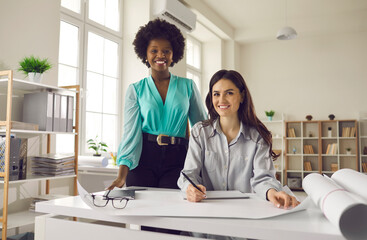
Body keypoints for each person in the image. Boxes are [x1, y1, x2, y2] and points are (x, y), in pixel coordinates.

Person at [107, 18, 206, 191]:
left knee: (171, 212)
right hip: (143, 158)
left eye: (166, 51)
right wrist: (121, 175)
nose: (160, 55)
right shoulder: (135, 90)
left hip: (178, 160)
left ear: (173, 54)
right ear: (145, 54)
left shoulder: (188, 86)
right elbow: (130, 133)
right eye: (154, 50)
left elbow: (202, 128)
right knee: (140, 213)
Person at [178, 69, 299, 209]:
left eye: (229, 93)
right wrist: (190, 188)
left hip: (246, 212)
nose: (221, 100)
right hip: (208, 210)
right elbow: (188, 174)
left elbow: (263, 178)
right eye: (216, 94)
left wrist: (272, 192)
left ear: (242, 96)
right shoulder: (200, 132)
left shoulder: (258, 136)